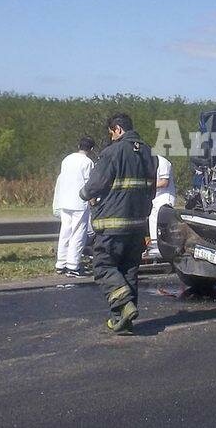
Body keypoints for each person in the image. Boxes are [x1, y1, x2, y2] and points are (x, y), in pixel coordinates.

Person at [80, 113, 156, 335]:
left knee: (103, 267)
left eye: (112, 132)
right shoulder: (149, 153)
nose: (111, 137)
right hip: (138, 223)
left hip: (113, 223)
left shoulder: (113, 152)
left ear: (118, 129)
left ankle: (123, 306)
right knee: (128, 270)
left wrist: (84, 193)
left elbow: (94, 186)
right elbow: (151, 190)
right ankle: (123, 321)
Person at [52, 136, 95, 277]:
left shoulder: (67, 159)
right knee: (78, 234)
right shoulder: (88, 162)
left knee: (65, 232)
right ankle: (73, 265)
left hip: (65, 201)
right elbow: (89, 184)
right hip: (79, 202)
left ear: (78, 145)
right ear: (91, 149)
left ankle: (61, 263)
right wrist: (93, 200)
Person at [147, 154, 176, 251]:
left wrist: (147, 185)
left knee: (160, 222)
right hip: (155, 197)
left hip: (164, 197)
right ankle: (155, 244)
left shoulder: (163, 162)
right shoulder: (149, 163)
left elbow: (164, 182)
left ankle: (160, 246)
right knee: (152, 220)